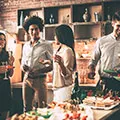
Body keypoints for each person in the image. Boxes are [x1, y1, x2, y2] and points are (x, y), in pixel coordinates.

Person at [21, 16, 53, 112]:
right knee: (27, 108)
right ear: (28, 31)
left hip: (40, 80)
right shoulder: (25, 46)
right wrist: (23, 67)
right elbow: (22, 63)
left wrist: (38, 70)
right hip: (27, 80)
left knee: (42, 109)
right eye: (31, 29)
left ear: (40, 30)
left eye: (36, 29)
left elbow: (52, 65)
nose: (34, 32)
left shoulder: (47, 45)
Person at [88, 10, 120, 92]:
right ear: (113, 24)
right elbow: (93, 60)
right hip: (105, 82)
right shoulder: (102, 41)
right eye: (118, 26)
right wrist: (91, 70)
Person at [52, 24, 76, 102]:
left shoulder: (67, 50)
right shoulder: (59, 49)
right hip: (57, 87)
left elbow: (67, 73)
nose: (54, 37)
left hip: (64, 88)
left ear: (61, 36)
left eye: (56, 35)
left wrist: (60, 63)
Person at [0, 32, 14, 120]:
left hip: (5, 86)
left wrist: (11, 64)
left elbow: (10, 74)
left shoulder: (7, 54)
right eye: (0, 39)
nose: (2, 41)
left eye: (4, 39)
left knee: (5, 109)